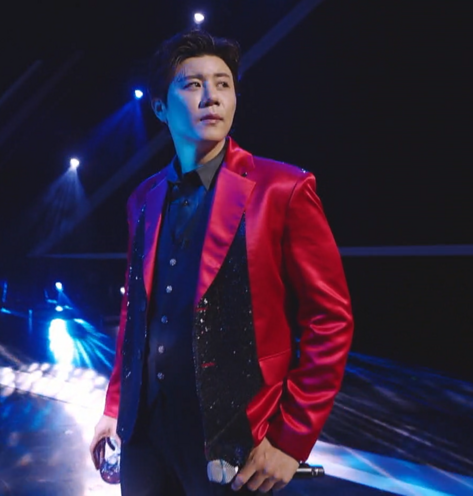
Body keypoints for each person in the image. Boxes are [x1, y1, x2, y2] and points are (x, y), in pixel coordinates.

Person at [90, 29, 354, 495]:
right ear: (159, 108)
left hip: (235, 440)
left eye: (223, 84)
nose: (211, 96)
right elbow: (135, 315)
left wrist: (291, 439)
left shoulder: (283, 189)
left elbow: (329, 319)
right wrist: (115, 407)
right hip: (144, 436)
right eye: (193, 84)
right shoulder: (143, 198)